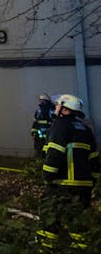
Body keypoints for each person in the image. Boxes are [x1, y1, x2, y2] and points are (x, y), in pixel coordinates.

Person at [40, 94, 98, 238]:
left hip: (62, 185)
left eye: (58, 105)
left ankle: (47, 252)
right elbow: (94, 159)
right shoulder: (85, 129)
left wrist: (47, 176)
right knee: (78, 224)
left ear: (65, 109)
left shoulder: (59, 126)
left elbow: (55, 152)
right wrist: (93, 182)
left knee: (50, 220)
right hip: (84, 186)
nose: (55, 107)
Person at [29, 93, 54, 158]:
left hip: (49, 135)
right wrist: (33, 132)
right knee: (38, 148)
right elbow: (35, 123)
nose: (42, 102)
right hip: (39, 135)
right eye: (41, 101)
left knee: (48, 150)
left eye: (43, 101)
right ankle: (38, 163)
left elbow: (54, 122)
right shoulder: (38, 111)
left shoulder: (52, 110)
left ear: (47, 101)